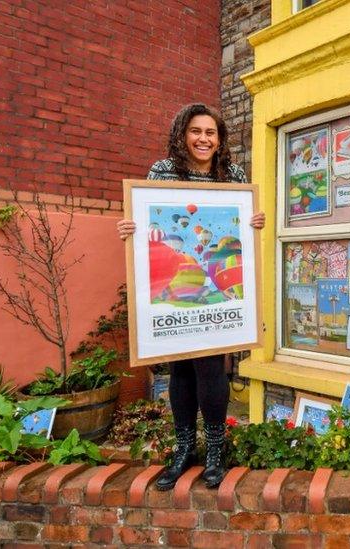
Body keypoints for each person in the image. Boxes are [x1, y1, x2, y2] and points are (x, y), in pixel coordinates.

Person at [117, 103, 265, 490]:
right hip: (177, 283)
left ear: (220, 140)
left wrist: (254, 222)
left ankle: (215, 451)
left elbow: (241, 221)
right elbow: (148, 219)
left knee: (211, 367)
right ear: (183, 135)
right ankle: (184, 450)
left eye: (211, 133)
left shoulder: (231, 174)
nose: (203, 139)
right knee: (180, 369)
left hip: (214, 291)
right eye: (196, 131)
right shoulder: (162, 172)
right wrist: (130, 227)